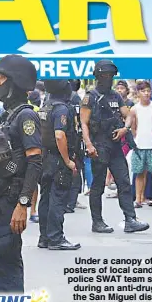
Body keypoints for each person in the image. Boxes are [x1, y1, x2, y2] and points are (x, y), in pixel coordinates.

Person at [0, 54, 43, 292]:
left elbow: (35, 162)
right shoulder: (8, 116)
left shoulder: (26, 116)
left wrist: (23, 204)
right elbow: (9, 165)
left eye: (0, 78)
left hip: (11, 202)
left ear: (14, 82)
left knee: (7, 265)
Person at [81, 59, 149, 234]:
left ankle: (130, 220)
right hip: (98, 145)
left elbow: (128, 115)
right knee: (97, 186)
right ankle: (97, 222)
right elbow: (84, 123)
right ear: (97, 76)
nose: (108, 78)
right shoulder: (90, 97)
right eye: (104, 75)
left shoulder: (115, 96)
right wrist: (89, 144)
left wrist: (124, 129)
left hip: (115, 144)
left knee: (124, 182)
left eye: (110, 75)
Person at [36, 80, 82, 250]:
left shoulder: (46, 106)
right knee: (58, 198)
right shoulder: (61, 108)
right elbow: (60, 135)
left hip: (45, 157)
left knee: (46, 197)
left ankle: (44, 237)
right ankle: (55, 237)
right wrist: (68, 161)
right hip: (58, 159)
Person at [130, 80, 152, 208]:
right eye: (143, 91)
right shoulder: (134, 109)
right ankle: (138, 199)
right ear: (138, 93)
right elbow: (133, 128)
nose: (146, 93)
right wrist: (136, 141)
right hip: (139, 145)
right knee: (139, 173)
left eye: (148, 91)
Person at [65, 79, 87, 214]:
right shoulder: (75, 98)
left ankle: (70, 201)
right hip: (74, 139)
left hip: (69, 138)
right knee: (75, 170)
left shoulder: (60, 97)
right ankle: (71, 201)